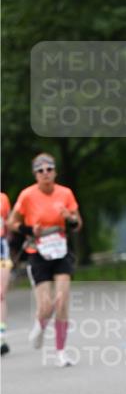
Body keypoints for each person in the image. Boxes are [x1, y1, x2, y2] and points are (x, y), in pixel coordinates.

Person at [8, 153, 82, 367]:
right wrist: (30, 229)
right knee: (46, 305)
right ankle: (39, 326)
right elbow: (12, 223)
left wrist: (69, 218)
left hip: (60, 251)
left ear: (55, 171)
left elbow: (78, 225)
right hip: (37, 253)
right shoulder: (27, 195)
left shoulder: (65, 193)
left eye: (49, 169)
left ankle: (61, 351)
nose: (45, 173)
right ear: (35, 174)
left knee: (62, 301)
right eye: (40, 170)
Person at [1, 190, 12, 356]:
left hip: (1, 249)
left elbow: (9, 224)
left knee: (0, 293)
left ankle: (1, 336)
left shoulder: (3, 199)